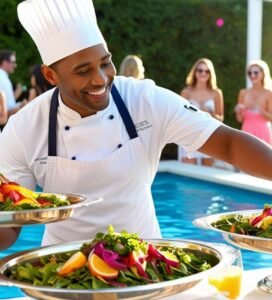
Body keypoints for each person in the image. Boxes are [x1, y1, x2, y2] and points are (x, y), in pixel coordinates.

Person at [0, 0, 272, 250]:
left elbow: (229, 143)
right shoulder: (24, 128)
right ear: (50, 75)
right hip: (62, 271)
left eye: (106, 63)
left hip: (146, 265)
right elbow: (10, 220)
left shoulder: (146, 100)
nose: (101, 79)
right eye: (83, 71)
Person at [180, 58, 224, 166]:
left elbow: (221, 118)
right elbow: (180, 117)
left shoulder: (216, 93)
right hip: (189, 135)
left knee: (207, 174)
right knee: (188, 174)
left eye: (207, 71)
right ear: (194, 72)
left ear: (210, 74)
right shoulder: (186, 92)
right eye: (200, 70)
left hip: (210, 136)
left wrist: (209, 113)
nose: (203, 73)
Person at [235, 60, 272, 145]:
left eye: (255, 72)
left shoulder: (268, 93)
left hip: (263, 132)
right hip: (247, 131)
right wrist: (238, 111)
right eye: (249, 73)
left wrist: (259, 110)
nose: (252, 75)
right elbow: (239, 119)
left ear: (263, 73)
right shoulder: (243, 93)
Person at [0, 50, 27, 119]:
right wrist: (21, 106)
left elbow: (6, 104)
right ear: (5, 63)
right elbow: (6, 110)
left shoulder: (4, 77)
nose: (15, 65)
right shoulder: (2, 79)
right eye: (13, 62)